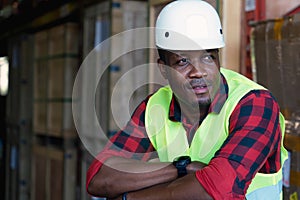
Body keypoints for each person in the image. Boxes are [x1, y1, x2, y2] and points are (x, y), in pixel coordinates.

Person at [86, 0, 288, 199]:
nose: (198, 72)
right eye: (183, 61)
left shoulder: (255, 104)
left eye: (208, 57)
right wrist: (180, 168)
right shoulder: (154, 107)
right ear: (163, 69)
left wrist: (129, 198)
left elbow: (218, 190)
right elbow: (100, 178)